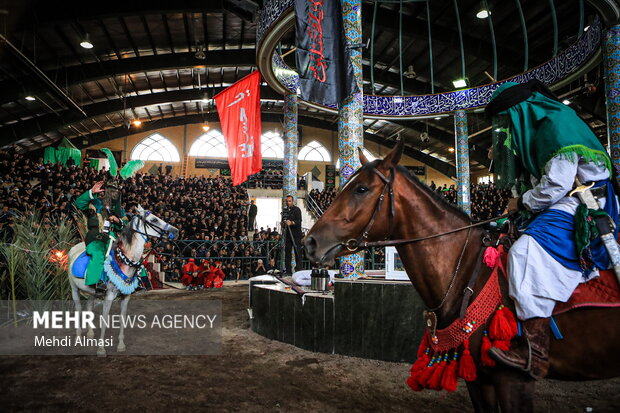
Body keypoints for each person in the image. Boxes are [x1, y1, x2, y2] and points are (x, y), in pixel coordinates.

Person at [484, 79, 619, 380]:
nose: (505, 129)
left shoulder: (555, 124)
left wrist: (521, 202)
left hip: (583, 201)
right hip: (561, 200)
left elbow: (556, 185)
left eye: (507, 121)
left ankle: (536, 352)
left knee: (523, 252)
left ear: (519, 112)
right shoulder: (540, 129)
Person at [74, 180, 126, 291]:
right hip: (96, 239)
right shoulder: (94, 204)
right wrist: (91, 192)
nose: (115, 194)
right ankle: (96, 282)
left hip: (112, 239)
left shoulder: (118, 211)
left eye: (117, 192)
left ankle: (137, 280)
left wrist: (118, 221)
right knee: (99, 253)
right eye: (112, 191)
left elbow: (124, 226)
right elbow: (78, 203)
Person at [283, 195, 303, 275]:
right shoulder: (285, 211)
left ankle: (298, 270)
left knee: (297, 252)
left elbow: (299, 221)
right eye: (287, 201)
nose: (288, 203)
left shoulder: (297, 210)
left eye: (289, 201)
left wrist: (291, 223)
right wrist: (283, 223)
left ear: (292, 201)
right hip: (288, 234)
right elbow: (283, 220)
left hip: (296, 234)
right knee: (287, 253)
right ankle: (288, 271)